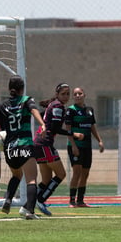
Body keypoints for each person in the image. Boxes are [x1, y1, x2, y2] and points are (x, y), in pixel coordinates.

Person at [0, 75, 46, 220]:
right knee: (31, 180)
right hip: (25, 145)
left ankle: (8, 200)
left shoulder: (3, 105)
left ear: (9, 89)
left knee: (16, 175)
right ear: (22, 89)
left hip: (9, 149)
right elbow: (34, 110)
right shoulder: (26, 100)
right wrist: (42, 123)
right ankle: (29, 212)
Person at [30, 83, 84, 216]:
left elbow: (45, 119)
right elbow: (54, 128)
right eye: (63, 94)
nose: (66, 96)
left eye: (67, 94)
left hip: (38, 143)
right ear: (57, 94)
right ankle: (40, 200)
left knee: (46, 179)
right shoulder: (58, 106)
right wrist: (74, 134)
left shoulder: (53, 105)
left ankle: (28, 205)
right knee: (61, 174)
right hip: (45, 144)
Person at [65, 87, 104, 208]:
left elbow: (92, 127)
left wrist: (100, 141)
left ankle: (80, 201)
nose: (77, 96)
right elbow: (68, 129)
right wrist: (74, 146)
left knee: (85, 173)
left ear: (84, 95)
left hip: (87, 146)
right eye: (75, 94)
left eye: (79, 93)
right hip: (76, 146)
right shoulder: (70, 110)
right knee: (76, 172)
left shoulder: (89, 110)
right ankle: (72, 201)